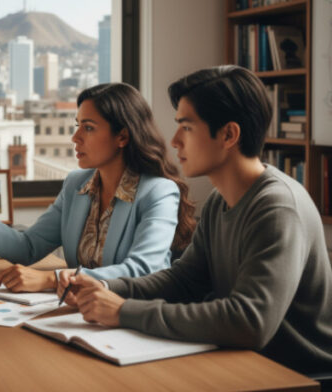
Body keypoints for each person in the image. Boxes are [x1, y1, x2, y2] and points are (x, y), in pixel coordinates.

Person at [69, 66, 332, 377]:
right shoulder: (222, 200)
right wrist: (105, 286)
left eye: (187, 127)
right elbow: (185, 281)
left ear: (229, 134)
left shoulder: (277, 207)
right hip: (242, 363)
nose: (175, 140)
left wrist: (124, 311)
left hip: (296, 377)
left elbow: (249, 322)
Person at [0, 83, 194, 296]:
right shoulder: (76, 184)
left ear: (122, 137)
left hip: (133, 314)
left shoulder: (158, 192)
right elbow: (28, 247)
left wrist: (51, 279)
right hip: (81, 311)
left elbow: (143, 270)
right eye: (77, 125)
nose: (75, 137)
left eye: (88, 128)